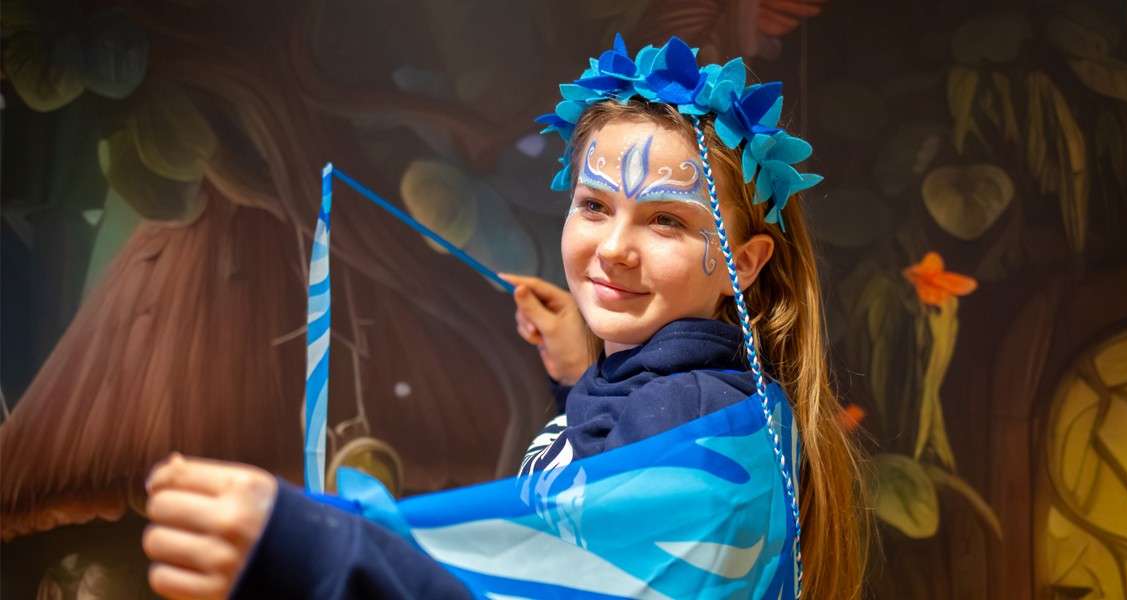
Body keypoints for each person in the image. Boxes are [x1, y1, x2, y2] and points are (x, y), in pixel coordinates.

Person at [142, 36, 869, 599]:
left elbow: (546, 581)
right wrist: (579, 371)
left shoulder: (689, 411)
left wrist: (317, 548)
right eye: (594, 206)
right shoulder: (691, 401)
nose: (613, 248)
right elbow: (620, 492)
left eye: (666, 222)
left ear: (742, 264)